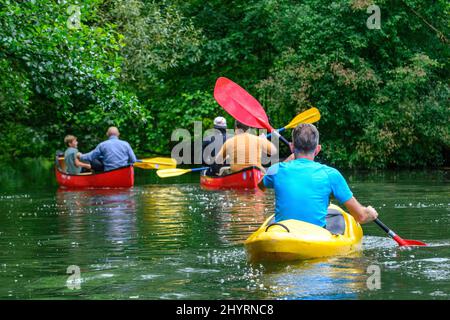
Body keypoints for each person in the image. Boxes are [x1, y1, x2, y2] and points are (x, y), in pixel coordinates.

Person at [259, 123, 378, 230]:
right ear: (318, 149)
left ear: (291, 147)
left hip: (283, 232)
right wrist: (369, 213)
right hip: (315, 236)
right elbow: (360, 217)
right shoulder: (331, 174)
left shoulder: (276, 169)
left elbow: (260, 186)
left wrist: (286, 162)